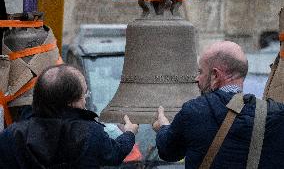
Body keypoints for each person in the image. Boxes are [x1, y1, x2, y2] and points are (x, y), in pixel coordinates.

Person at [152, 41, 284, 169]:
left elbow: (168, 152)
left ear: (215, 75)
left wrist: (163, 127)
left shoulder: (195, 111)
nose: (197, 78)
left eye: (201, 72)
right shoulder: (276, 114)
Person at [0, 64, 139, 169]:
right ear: (71, 102)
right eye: (84, 95)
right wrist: (129, 133)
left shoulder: (11, 135)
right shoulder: (90, 134)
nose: (85, 100)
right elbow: (116, 153)